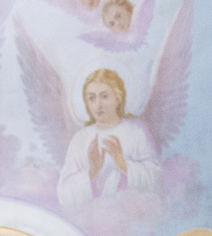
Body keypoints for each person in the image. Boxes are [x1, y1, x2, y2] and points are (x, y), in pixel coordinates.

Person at [57, 68, 160, 204]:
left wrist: (122, 164)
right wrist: (92, 172)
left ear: (118, 98)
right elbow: (63, 192)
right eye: (92, 98)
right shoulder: (80, 139)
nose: (98, 104)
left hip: (130, 213)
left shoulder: (135, 133)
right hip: (91, 215)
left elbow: (156, 179)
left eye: (104, 96)